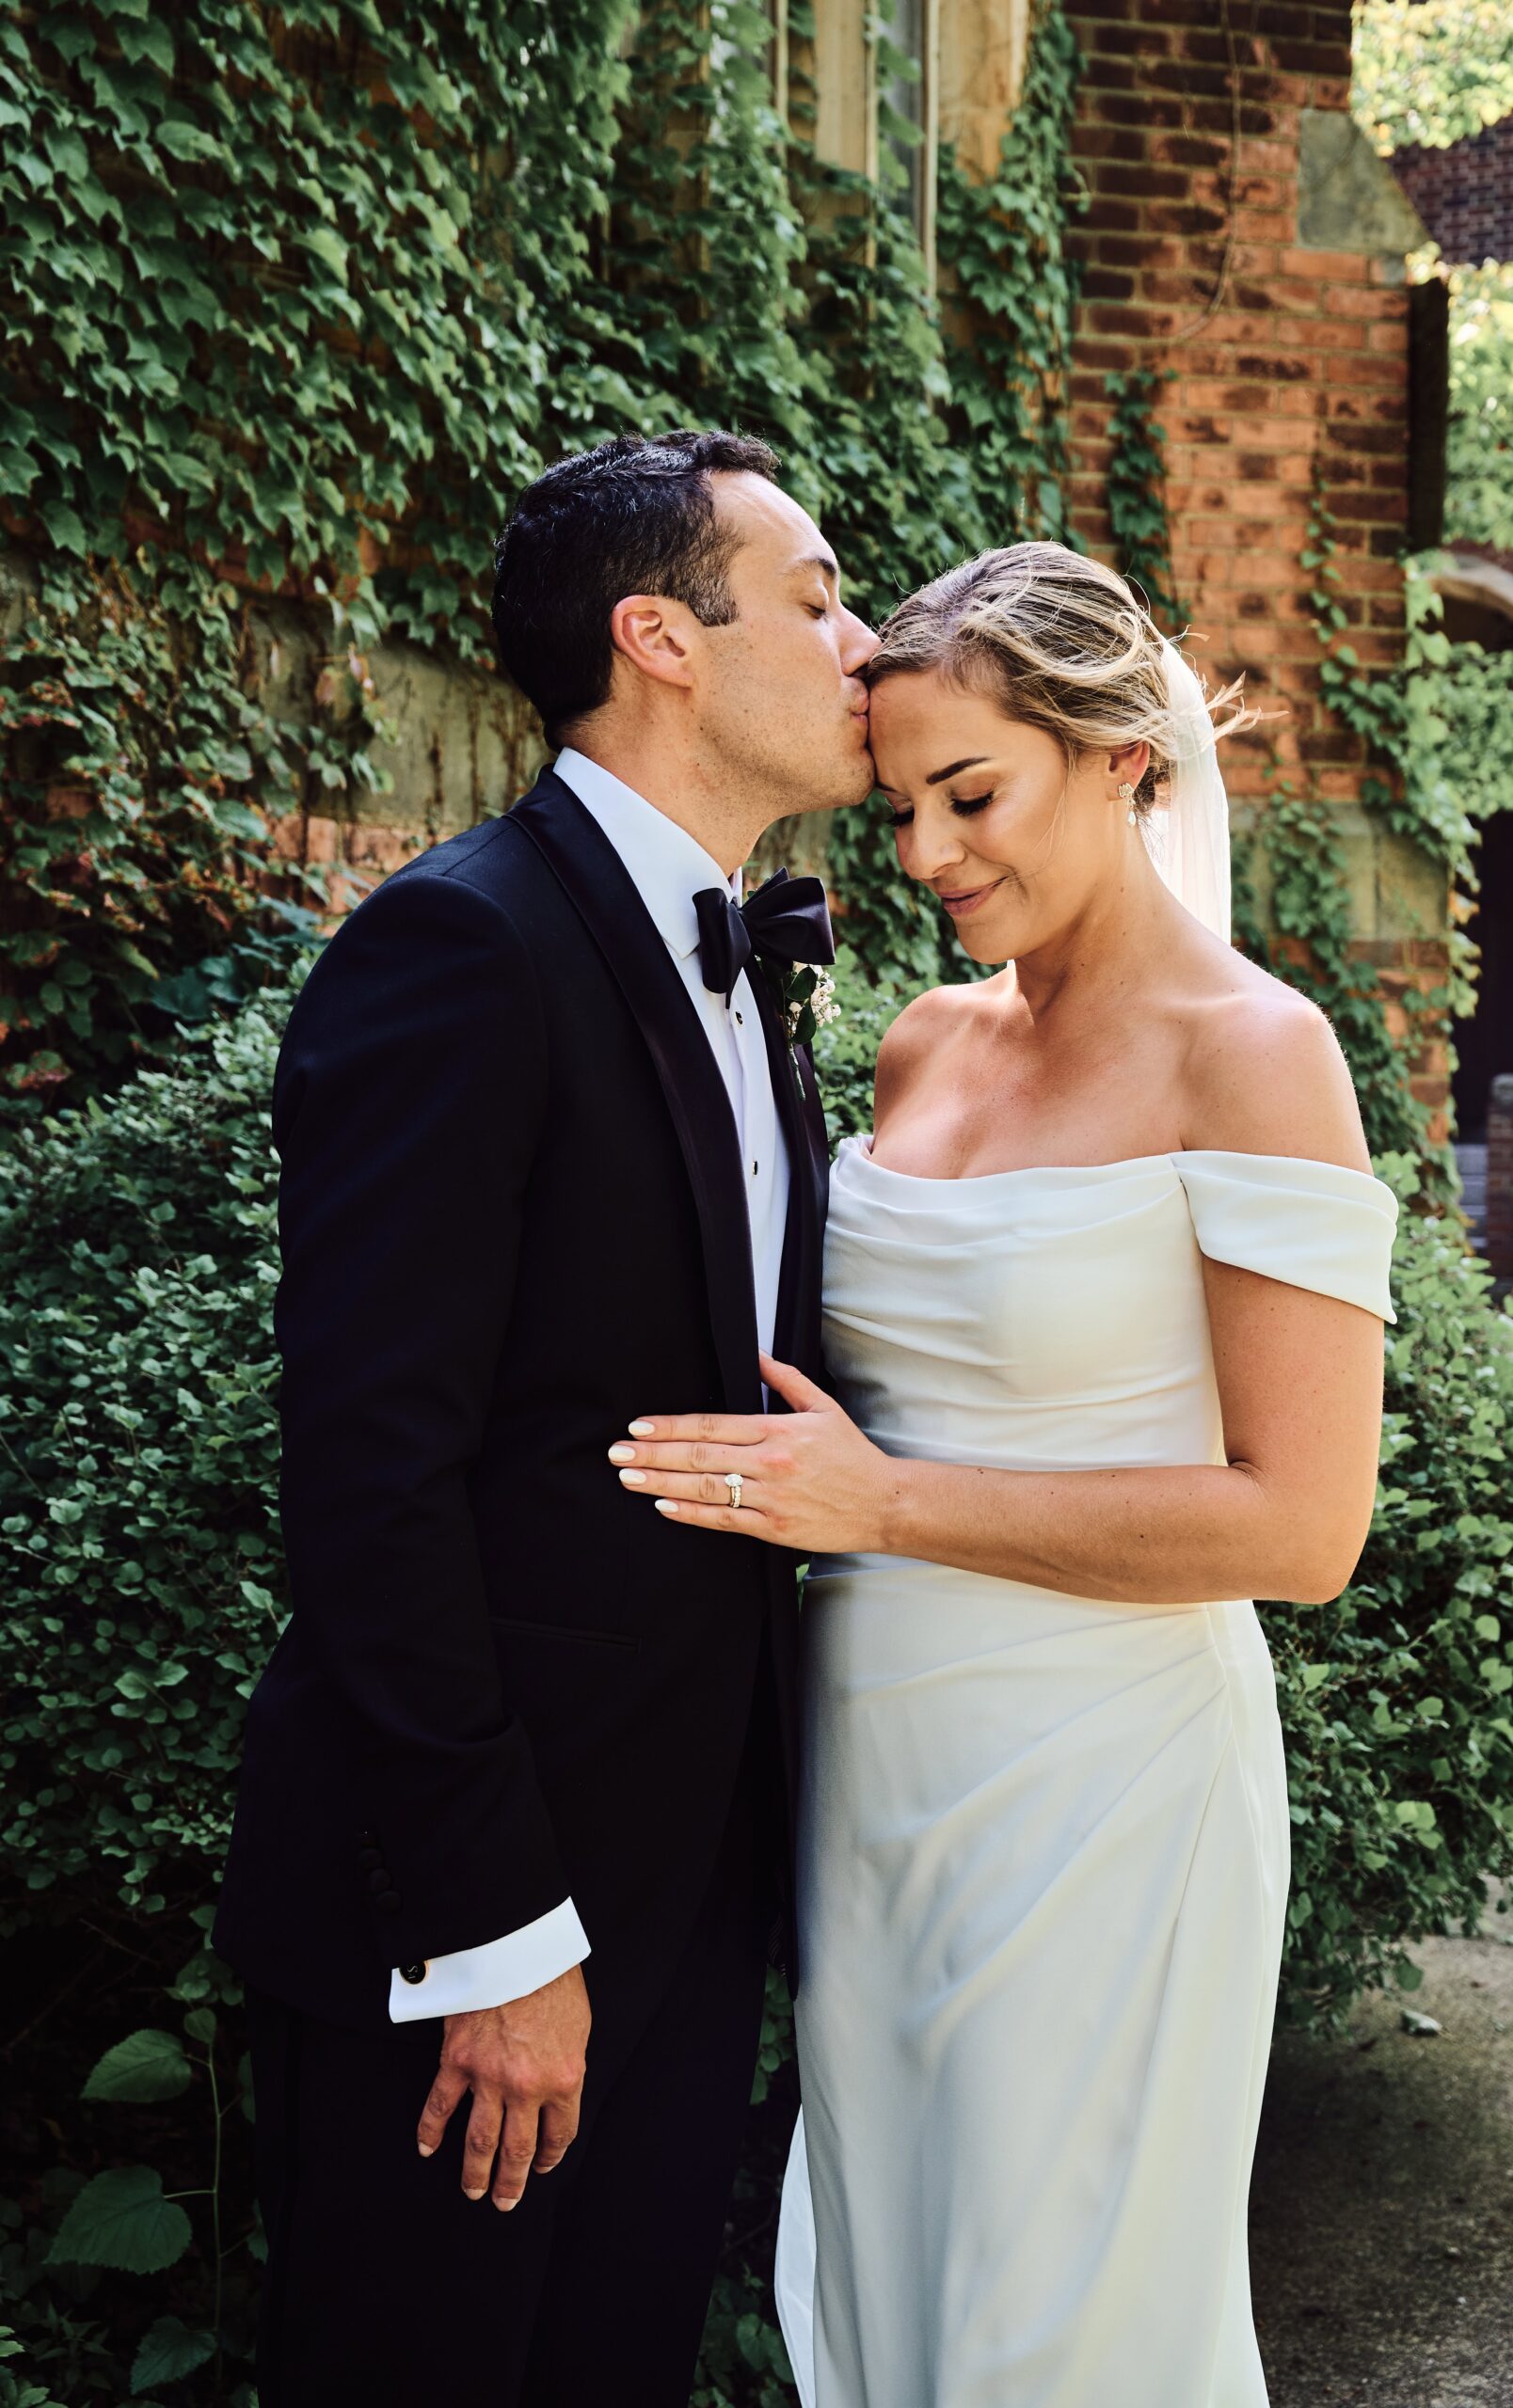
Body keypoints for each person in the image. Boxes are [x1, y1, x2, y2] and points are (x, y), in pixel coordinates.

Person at [610, 542, 1399, 2407]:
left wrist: (884, 1507)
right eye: (900, 807)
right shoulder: (919, 1047)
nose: (928, 854)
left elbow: (1303, 1523)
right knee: (895, 2282)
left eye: (975, 794)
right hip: (881, 1774)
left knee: (1065, 2317)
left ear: (1125, 753)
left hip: (1110, 1779)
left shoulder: (1260, 1057)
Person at [214, 428, 878, 2407]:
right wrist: (500, 1927)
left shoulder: (746, 964)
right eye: (820, 596)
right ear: (659, 637)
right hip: (482, 1915)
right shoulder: (464, 946)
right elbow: (369, 1469)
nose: (864, 644)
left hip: (692, 1886)